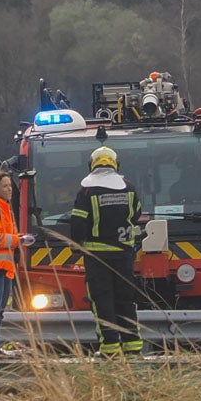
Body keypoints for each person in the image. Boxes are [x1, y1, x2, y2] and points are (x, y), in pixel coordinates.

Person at [70, 145, 144, 357]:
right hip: (124, 255)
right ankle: (133, 345)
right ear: (116, 165)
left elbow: (78, 222)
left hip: (97, 257)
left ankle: (110, 347)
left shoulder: (87, 191)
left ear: (91, 166)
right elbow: (136, 215)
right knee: (126, 300)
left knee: (102, 301)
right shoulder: (129, 188)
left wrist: (76, 244)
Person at [0, 170, 32, 356]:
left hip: (5, 268)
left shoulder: (4, 208)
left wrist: (19, 238)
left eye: (10, 185)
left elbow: (2, 236)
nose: (10, 189)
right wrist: (18, 240)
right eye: (5, 186)